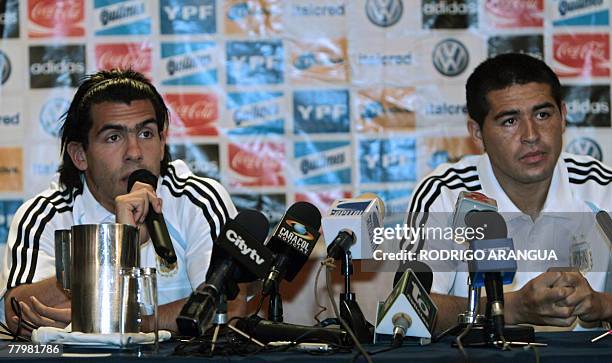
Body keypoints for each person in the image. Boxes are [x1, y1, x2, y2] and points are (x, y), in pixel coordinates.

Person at [0, 69, 237, 334]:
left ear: (162, 144)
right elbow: (17, 315)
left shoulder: (198, 201)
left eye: (146, 134)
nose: (134, 153)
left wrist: (127, 323)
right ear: (80, 155)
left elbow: (226, 307)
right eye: (114, 137)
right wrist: (117, 249)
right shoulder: (47, 216)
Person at [401, 53, 612, 332]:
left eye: (543, 114)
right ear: (477, 133)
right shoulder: (445, 194)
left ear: (562, 117)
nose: (531, 135)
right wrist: (510, 308)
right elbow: (408, 308)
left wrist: (603, 305)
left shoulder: (602, 187)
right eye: (510, 121)